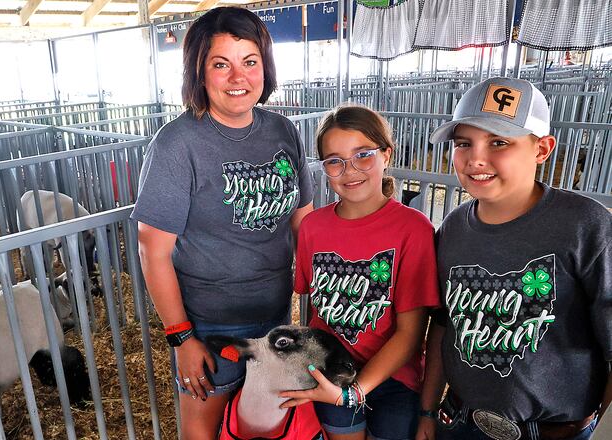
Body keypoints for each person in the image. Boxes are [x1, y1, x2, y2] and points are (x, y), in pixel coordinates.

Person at [131, 7, 314, 439]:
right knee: (203, 427)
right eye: (220, 64)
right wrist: (181, 338)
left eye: (250, 61)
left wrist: (314, 303)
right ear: (198, 72)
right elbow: (152, 251)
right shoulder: (177, 144)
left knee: (263, 425)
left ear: (265, 68)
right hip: (209, 326)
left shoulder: (283, 131)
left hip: (276, 315)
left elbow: (302, 221)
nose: (238, 77)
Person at [415, 77, 612, 440]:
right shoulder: (454, 227)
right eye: (463, 143)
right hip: (460, 420)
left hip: (553, 431)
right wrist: (428, 410)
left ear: (542, 149)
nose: (476, 159)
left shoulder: (587, 225)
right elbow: (444, 325)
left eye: (499, 142)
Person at [279, 105, 441, 440]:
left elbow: (410, 333)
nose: (349, 170)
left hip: (395, 377)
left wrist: (355, 392)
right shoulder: (312, 227)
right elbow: (315, 312)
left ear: (386, 154)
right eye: (334, 161)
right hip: (331, 371)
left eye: (363, 155)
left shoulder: (414, 229)